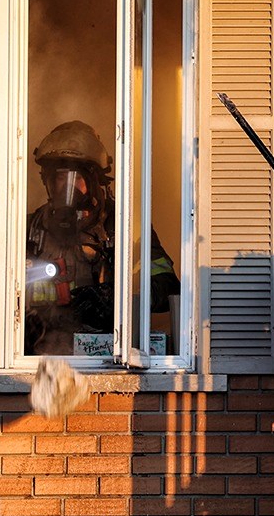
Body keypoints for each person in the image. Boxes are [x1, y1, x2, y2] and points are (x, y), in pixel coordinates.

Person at [24, 120, 179, 356]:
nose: (67, 187)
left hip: (108, 357)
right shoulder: (30, 231)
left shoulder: (126, 228)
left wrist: (115, 297)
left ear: (96, 181)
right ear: (47, 181)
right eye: (59, 178)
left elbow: (168, 287)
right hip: (44, 357)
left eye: (76, 178)